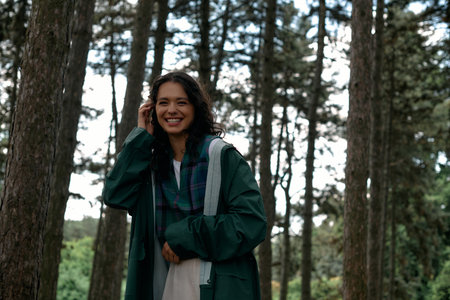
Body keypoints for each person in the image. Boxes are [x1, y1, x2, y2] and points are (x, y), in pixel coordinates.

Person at [103, 71, 267, 300]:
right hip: (166, 280)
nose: (171, 110)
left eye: (181, 102)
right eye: (163, 103)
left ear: (195, 108)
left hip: (219, 284)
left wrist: (186, 236)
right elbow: (115, 195)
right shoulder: (150, 164)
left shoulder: (222, 156)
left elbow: (252, 223)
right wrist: (141, 137)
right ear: (153, 110)